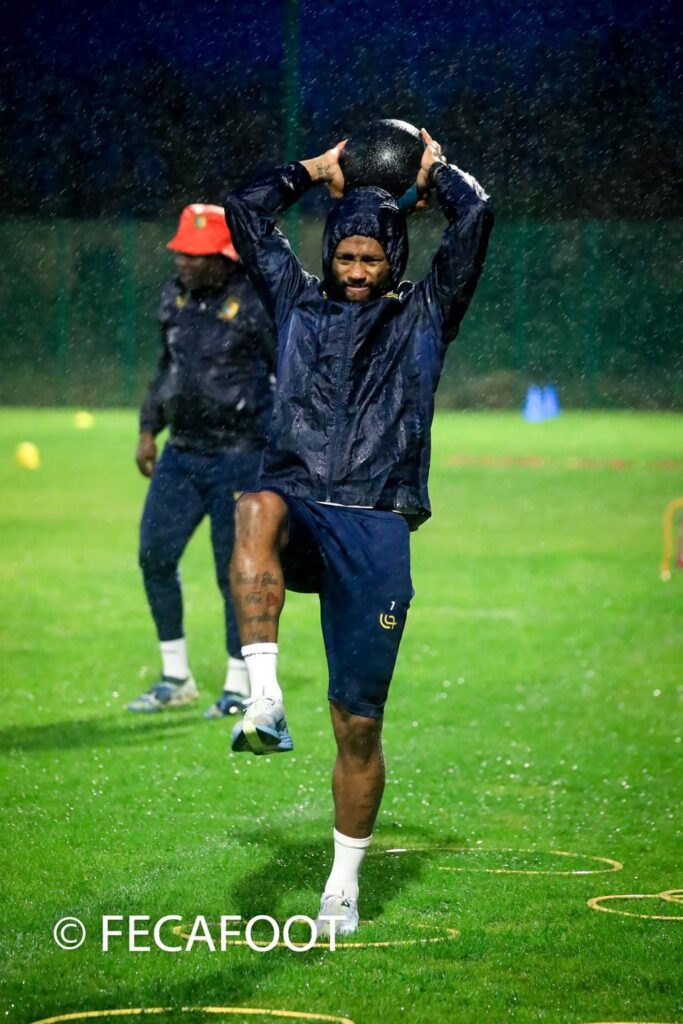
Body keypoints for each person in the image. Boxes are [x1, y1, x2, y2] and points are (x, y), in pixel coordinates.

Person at [223, 130, 494, 934]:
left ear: (393, 260)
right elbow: (243, 210)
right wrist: (313, 170)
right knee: (254, 506)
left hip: (374, 521)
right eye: (344, 257)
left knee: (359, 724)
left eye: (370, 259)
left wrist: (435, 173)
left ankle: (341, 888)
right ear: (328, 255)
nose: (354, 271)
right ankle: (263, 696)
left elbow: (477, 218)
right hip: (300, 500)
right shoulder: (294, 297)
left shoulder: (426, 313)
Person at [128, 204, 276, 718]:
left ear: (224, 258)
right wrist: (149, 428)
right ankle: (176, 677)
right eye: (182, 254)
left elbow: (287, 371)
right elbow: (166, 368)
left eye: (197, 256)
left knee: (233, 572)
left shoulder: (255, 300)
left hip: (241, 456)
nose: (185, 263)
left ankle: (238, 684)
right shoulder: (172, 296)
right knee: (154, 555)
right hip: (183, 452)